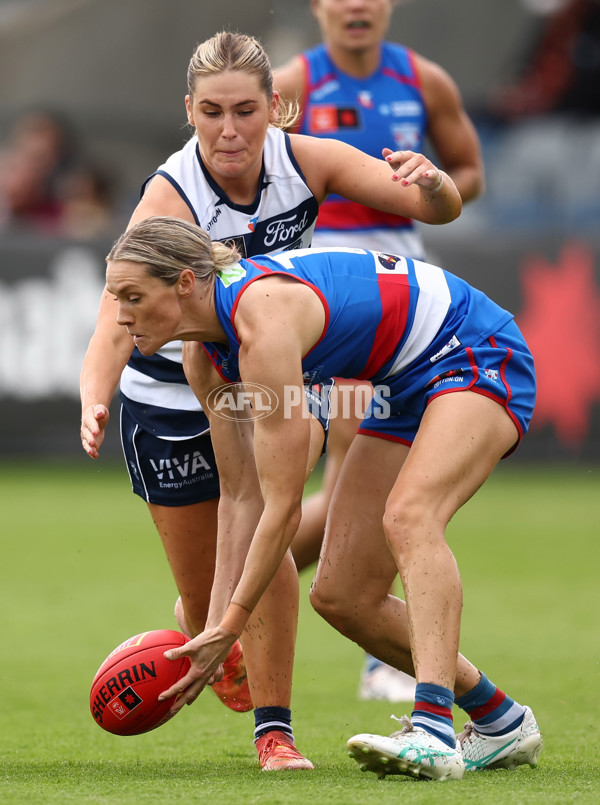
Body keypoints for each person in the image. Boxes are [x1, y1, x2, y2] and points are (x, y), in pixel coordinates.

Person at [80, 30, 460, 771]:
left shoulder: (304, 160)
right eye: (212, 111)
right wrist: (95, 395)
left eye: (246, 110)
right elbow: (113, 308)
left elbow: (428, 205)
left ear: (276, 107)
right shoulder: (172, 193)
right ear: (189, 110)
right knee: (205, 609)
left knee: (267, 534)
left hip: (265, 374)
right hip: (169, 398)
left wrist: (434, 182)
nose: (230, 129)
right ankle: (223, 646)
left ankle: (274, 733)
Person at [104, 215, 543, 782]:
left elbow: (283, 508)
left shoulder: (261, 330)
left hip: (473, 349)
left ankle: (433, 730)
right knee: (342, 595)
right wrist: (212, 629)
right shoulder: (201, 357)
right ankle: (500, 721)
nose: (120, 316)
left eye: (133, 296)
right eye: (117, 298)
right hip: (401, 383)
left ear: (185, 283)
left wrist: (232, 626)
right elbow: (240, 498)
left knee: (410, 517)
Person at [273, 0, 485, 702]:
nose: (356, 5)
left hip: (412, 307)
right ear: (320, 7)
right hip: (331, 309)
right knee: (362, 483)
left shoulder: (425, 82)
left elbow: (468, 170)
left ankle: (222, 600)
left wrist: (430, 185)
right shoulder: (288, 87)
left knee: (361, 494)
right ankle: (381, 657)